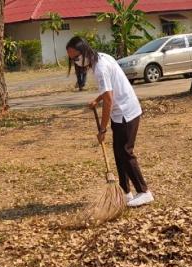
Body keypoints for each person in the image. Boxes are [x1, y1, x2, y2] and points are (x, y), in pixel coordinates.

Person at [66, 36, 154, 207]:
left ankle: (144, 192)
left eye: (76, 58)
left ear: (84, 52)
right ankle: (125, 192)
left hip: (125, 112)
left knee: (125, 152)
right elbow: (109, 91)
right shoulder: (103, 57)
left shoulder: (100, 68)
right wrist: (97, 100)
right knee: (118, 152)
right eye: (71, 59)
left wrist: (102, 130)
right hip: (122, 111)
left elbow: (109, 100)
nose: (75, 62)